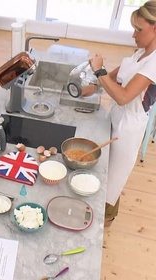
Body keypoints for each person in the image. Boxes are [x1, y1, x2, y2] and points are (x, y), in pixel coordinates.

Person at [82, 0, 156, 226]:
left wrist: (99, 70)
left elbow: (124, 96)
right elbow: (118, 75)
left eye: (139, 30)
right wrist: (95, 84)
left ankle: (106, 221)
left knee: (113, 179)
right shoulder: (141, 53)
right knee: (104, 170)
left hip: (129, 129)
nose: (134, 34)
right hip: (115, 118)